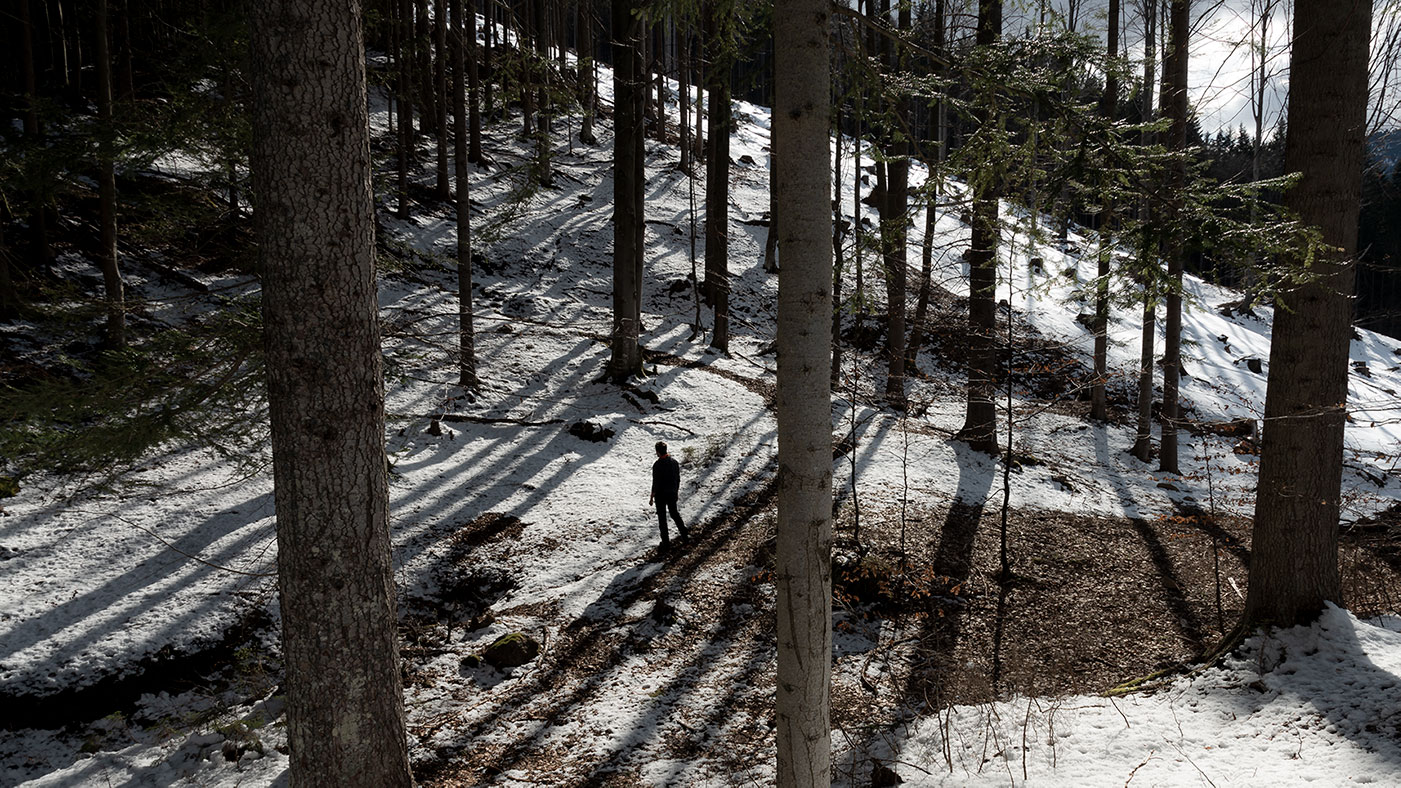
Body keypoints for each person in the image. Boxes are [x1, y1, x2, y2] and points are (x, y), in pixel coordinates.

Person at [649, 441, 689, 550]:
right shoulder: (674, 462)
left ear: (657, 452)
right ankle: (685, 535)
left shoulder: (657, 465)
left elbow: (655, 482)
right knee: (674, 514)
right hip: (671, 492)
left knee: (662, 519)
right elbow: (677, 479)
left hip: (660, 495)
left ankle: (666, 543)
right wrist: (676, 492)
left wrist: (652, 496)